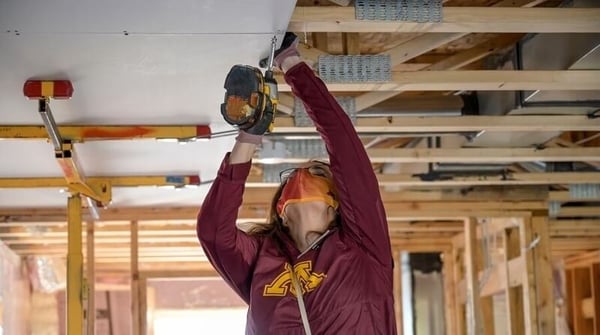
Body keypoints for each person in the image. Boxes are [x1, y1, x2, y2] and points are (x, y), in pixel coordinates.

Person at [197, 32, 397, 335]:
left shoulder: (361, 247)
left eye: (315, 174)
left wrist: (248, 137)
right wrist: (291, 63)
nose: (302, 173)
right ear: (282, 210)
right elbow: (346, 148)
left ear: (336, 206)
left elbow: (212, 232)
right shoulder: (262, 258)